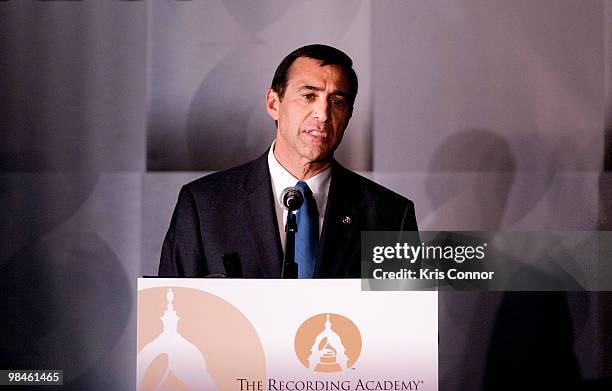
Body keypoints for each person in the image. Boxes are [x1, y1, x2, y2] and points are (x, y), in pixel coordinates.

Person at [158, 44, 417, 278]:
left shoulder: (389, 215)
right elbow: (173, 315)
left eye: (337, 102)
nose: (323, 114)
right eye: (308, 96)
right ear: (273, 103)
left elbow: (410, 324)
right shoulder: (204, 205)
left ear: (348, 115)